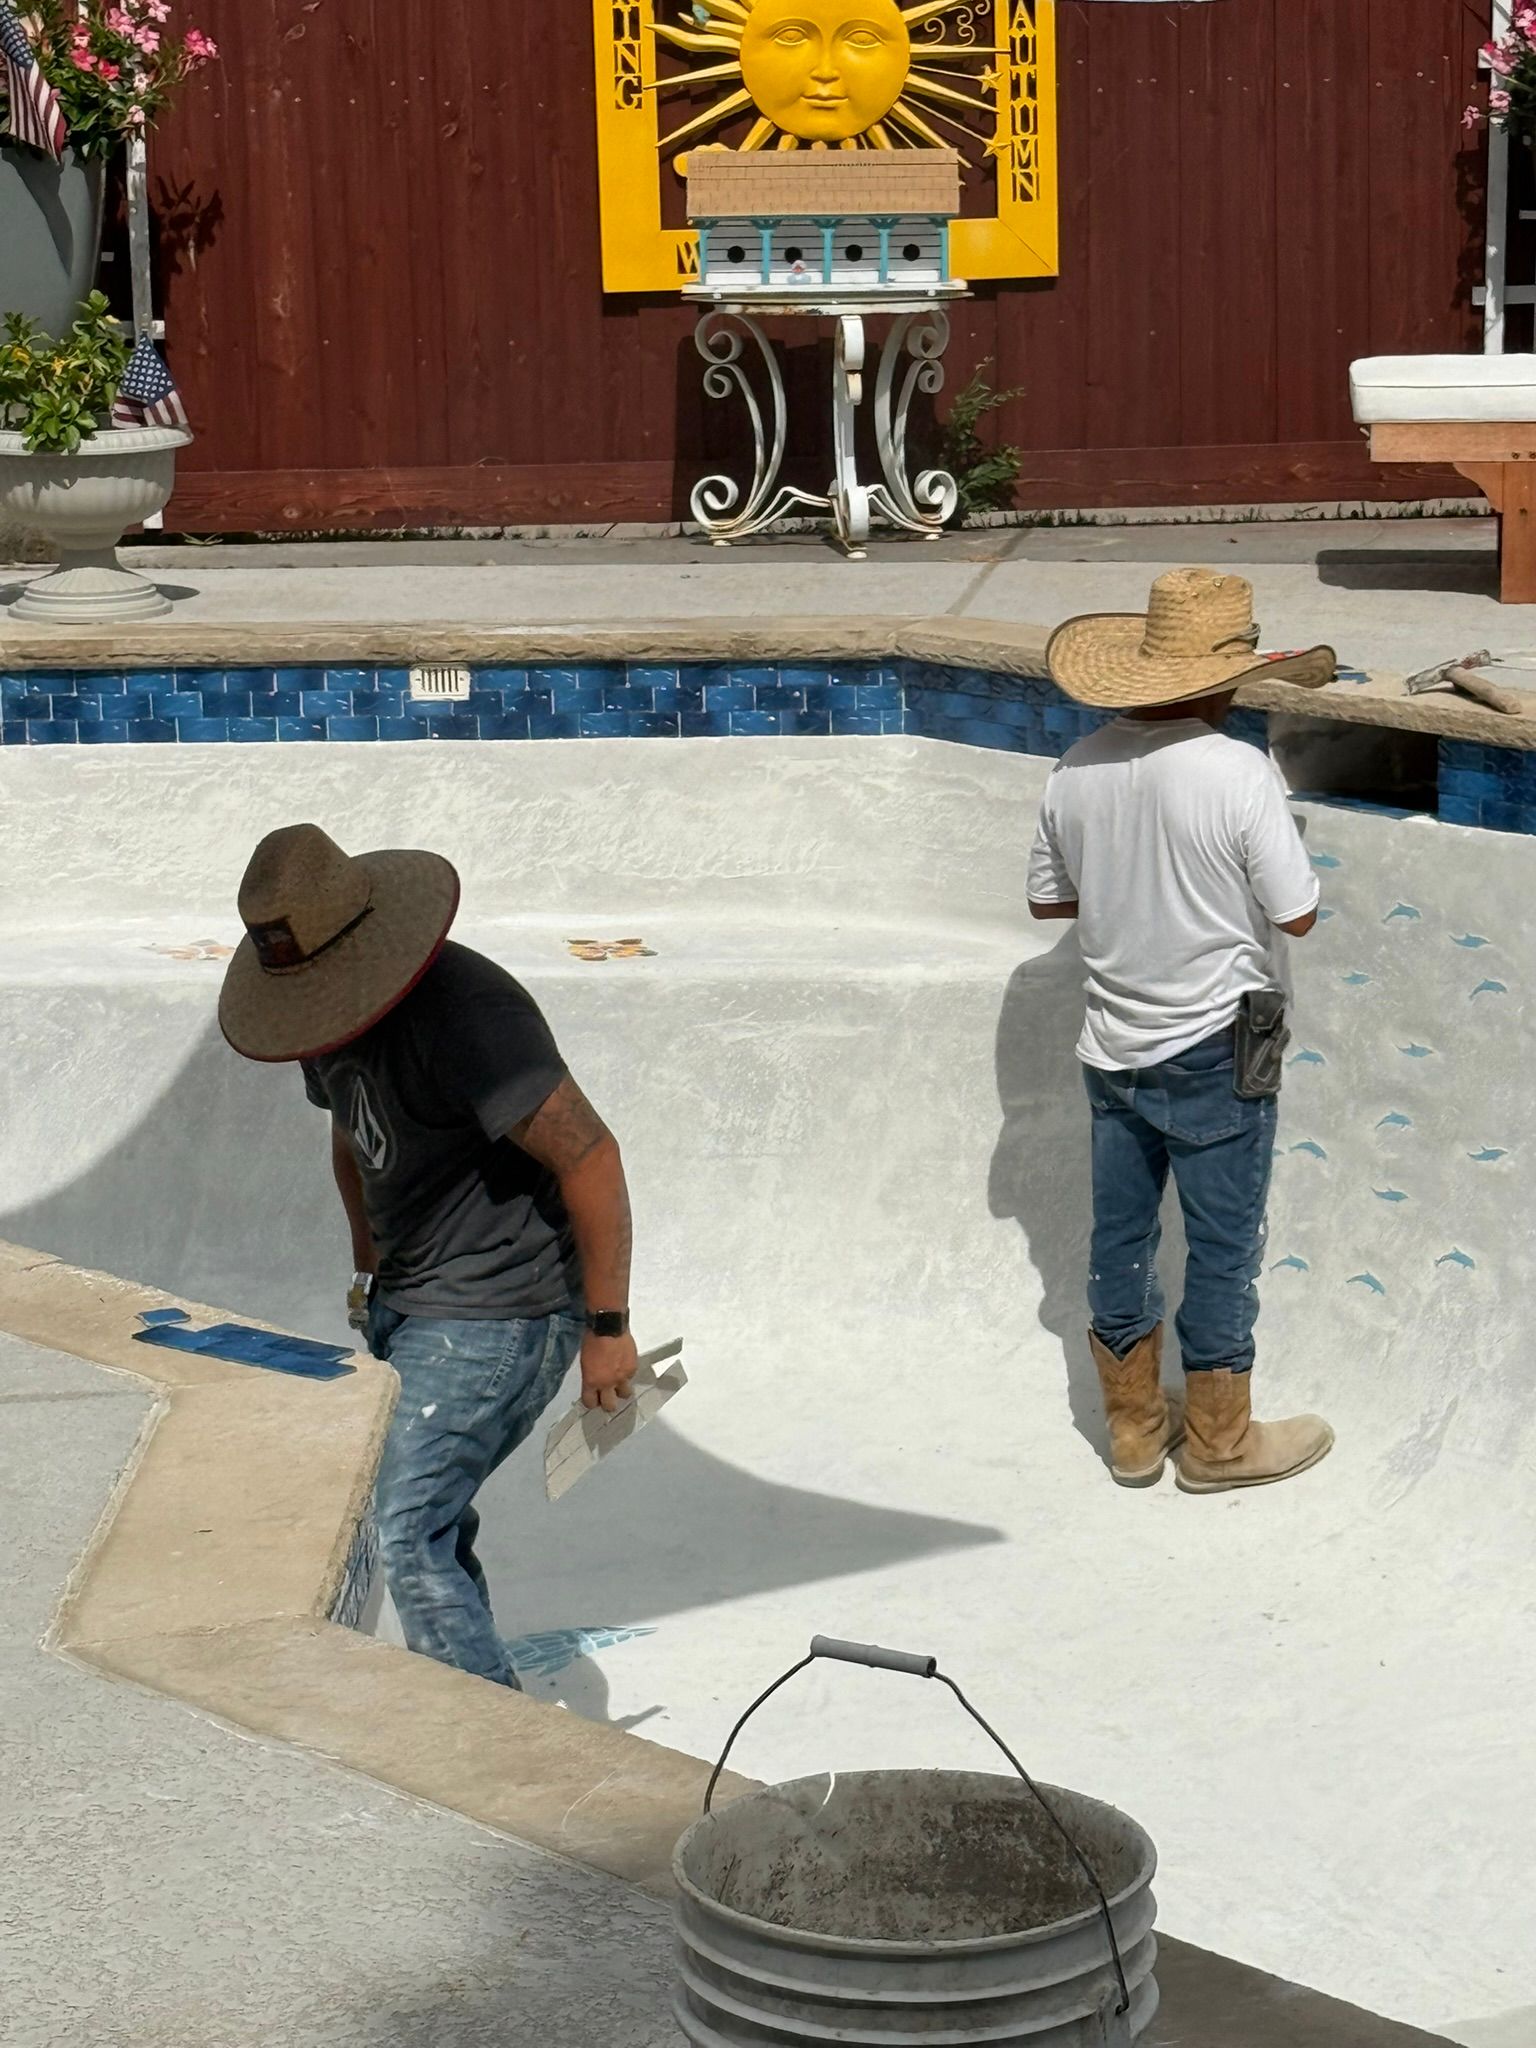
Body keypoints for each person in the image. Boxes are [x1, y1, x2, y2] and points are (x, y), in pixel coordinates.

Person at [219, 823, 638, 1687]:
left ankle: (496, 1758)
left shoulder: (471, 1014)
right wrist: (368, 1275)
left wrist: (608, 1328)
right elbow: (351, 1135)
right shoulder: (323, 1012)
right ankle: (476, 1686)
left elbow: (591, 1154)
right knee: (432, 1518)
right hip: (410, 1300)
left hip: (508, 1310)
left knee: (402, 1527)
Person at [1026, 568, 1335, 1494]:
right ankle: (1219, 1442)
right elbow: (1299, 916)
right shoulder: (1238, 772)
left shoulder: (1074, 768)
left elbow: (1052, 904)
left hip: (1110, 1049)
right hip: (1214, 1044)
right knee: (1223, 1247)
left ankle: (1130, 1431)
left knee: (1119, 1237)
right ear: (1223, 677)